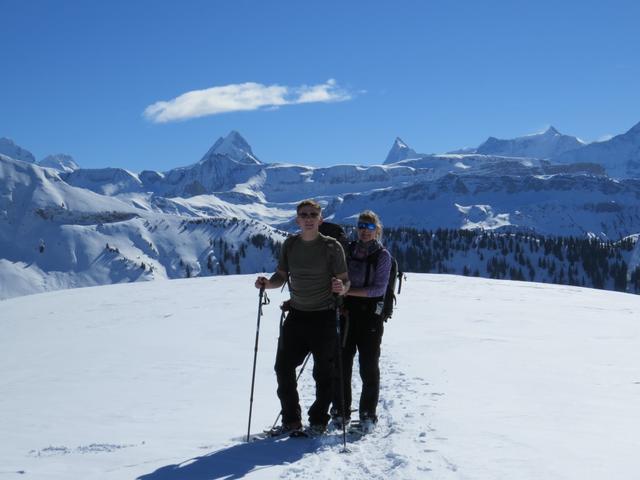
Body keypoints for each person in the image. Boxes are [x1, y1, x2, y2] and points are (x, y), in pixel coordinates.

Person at [255, 199, 349, 435]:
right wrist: (268, 284)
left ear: (320, 218)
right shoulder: (290, 245)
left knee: (324, 374)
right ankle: (292, 420)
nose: (308, 218)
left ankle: (318, 420)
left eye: (312, 214)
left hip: (324, 316)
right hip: (297, 315)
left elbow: (345, 280)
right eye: (303, 214)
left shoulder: (332, 247)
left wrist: (342, 288)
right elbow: (281, 276)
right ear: (297, 219)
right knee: (283, 368)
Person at [331, 210, 391, 433]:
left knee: (368, 367)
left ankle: (368, 414)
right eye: (360, 226)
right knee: (341, 364)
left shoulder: (383, 256)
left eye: (369, 226)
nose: (364, 230)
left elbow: (378, 289)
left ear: (377, 230)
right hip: (346, 314)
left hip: (370, 317)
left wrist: (346, 291)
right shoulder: (349, 251)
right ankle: (340, 410)